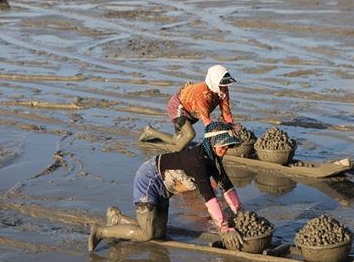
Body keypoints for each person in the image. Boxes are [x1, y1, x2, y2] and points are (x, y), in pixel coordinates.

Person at [88, 122, 246, 252]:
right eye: (222, 146)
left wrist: (240, 212)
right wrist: (224, 228)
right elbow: (208, 196)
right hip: (149, 178)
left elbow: (226, 185)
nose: (224, 151)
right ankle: (101, 231)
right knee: (147, 234)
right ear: (212, 143)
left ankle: (117, 219)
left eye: (227, 147)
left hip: (165, 188)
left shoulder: (213, 159)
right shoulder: (198, 161)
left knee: (159, 233)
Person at [138, 65, 237, 152]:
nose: (224, 87)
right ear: (214, 82)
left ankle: (150, 131)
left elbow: (226, 112)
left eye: (225, 84)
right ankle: (174, 155)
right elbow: (206, 119)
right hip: (178, 107)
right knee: (190, 134)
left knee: (178, 140)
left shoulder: (223, 92)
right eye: (222, 84)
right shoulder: (202, 93)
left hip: (191, 112)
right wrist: (215, 137)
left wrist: (231, 127)